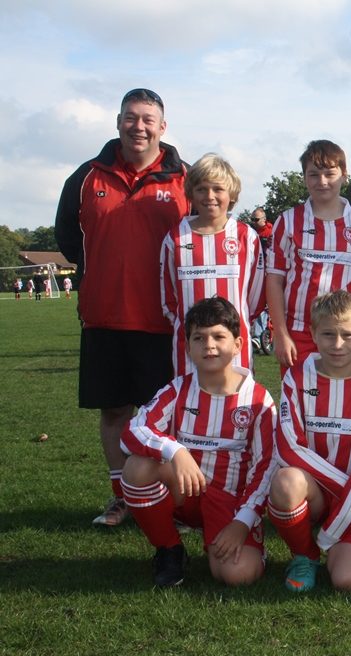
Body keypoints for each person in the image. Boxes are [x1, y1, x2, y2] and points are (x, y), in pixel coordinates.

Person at [55, 88, 190, 526]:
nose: (139, 126)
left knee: (166, 416)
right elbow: (68, 239)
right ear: (118, 122)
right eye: (131, 117)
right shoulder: (86, 176)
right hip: (104, 316)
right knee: (114, 411)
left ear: (162, 127)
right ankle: (123, 497)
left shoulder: (184, 178)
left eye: (148, 119)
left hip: (164, 321)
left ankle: (169, 498)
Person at [119, 297, 277, 587]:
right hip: (186, 492)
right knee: (137, 467)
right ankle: (169, 548)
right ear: (188, 347)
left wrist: (242, 522)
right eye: (199, 338)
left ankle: (246, 544)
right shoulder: (178, 389)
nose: (209, 346)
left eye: (219, 336)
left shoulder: (258, 400)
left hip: (230, 501)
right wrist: (175, 450)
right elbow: (133, 429)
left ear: (239, 345)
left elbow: (266, 467)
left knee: (237, 575)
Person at [268, 291, 351, 593]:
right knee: (286, 482)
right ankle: (305, 554)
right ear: (312, 333)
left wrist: (347, 508)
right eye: (328, 334)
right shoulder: (297, 377)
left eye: (347, 336)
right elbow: (289, 447)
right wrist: (346, 490)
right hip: (318, 492)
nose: (338, 345)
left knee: (347, 581)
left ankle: (330, 537)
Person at [265, 140, 351, 375]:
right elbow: (274, 280)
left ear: (344, 175)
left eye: (330, 173)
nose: (322, 181)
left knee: (344, 404)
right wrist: (280, 333)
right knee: (299, 403)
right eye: (314, 174)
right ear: (304, 178)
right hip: (299, 332)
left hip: (347, 335)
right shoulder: (288, 221)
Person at [159, 153, 264, 375]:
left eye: (218, 189)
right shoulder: (176, 237)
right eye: (202, 189)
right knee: (192, 405)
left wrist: (237, 324)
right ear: (191, 194)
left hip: (236, 347)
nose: (210, 196)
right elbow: (168, 299)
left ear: (231, 193)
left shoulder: (247, 237)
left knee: (235, 405)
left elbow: (255, 297)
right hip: (188, 350)